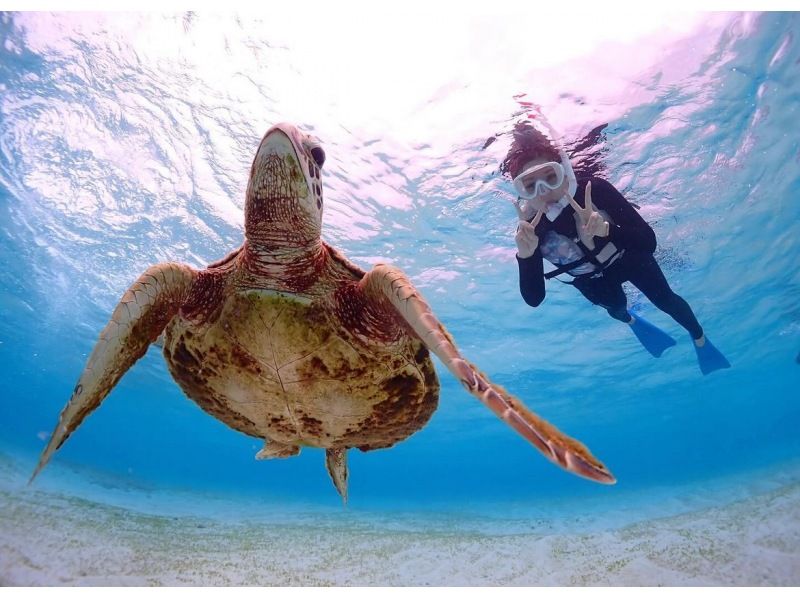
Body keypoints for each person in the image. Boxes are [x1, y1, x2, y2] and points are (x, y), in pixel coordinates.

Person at [505, 121, 730, 375]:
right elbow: (534, 299)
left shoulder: (595, 191)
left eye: (550, 177)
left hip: (627, 257)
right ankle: (631, 320)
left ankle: (700, 339)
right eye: (530, 185)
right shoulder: (530, 231)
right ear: (521, 192)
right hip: (591, 279)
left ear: (565, 173)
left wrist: (606, 231)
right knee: (617, 307)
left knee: (665, 299)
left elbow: (648, 242)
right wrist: (525, 256)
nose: (543, 191)